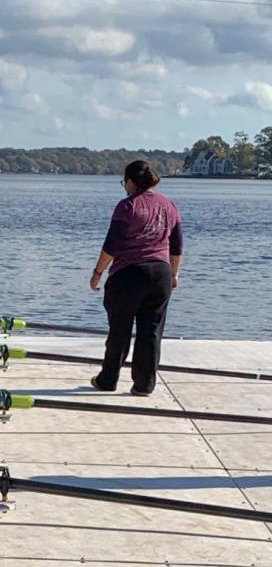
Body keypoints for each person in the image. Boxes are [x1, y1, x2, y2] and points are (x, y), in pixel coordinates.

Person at [89, 159, 184, 397]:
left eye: (124, 183)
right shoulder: (170, 206)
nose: (124, 187)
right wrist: (174, 274)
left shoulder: (127, 206)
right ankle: (144, 384)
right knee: (151, 330)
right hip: (160, 273)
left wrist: (98, 272)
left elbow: (113, 244)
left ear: (131, 182)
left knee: (119, 328)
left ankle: (108, 379)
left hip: (130, 273)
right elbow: (177, 245)